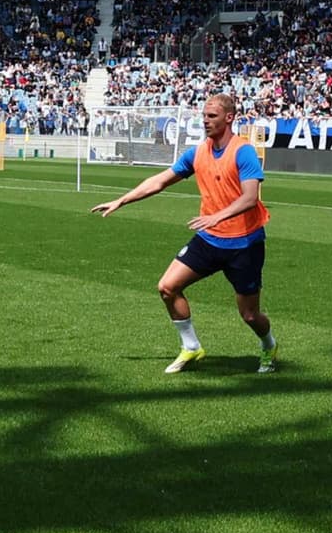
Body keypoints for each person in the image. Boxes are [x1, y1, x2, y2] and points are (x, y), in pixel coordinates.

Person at [91, 93, 279, 375]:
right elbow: (160, 181)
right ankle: (191, 347)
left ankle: (268, 345)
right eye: (204, 115)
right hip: (208, 237)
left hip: (244, 243)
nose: (206, 121)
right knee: (167, 287)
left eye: (212, 116)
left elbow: (250, 197)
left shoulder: (243, 151)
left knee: (249, 314)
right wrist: (122, 200)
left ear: (229, 118)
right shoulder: (198, 152)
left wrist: (217, 215)